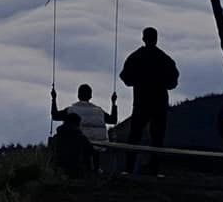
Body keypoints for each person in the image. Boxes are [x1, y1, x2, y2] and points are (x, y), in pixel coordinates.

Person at [120, 27, 179, 173]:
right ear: (156, 39)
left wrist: (139, 81)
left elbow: (125, 78)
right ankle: (154, 169)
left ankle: (128, 168)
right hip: (159, 103)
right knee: (158, 137)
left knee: (134, 136)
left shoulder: (135, 57)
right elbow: (173, 83)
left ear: (143, 38)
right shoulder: (165, 59)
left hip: (141, 102)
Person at [51, 83, 112, 150]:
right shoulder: (100, 112)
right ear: (90, 96)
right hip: (99, 149)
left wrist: (54, 98)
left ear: (78, 96)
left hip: (77, 150)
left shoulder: (71, 110)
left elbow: (55, 116)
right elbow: (113, 120)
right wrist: (114, 103)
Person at [49, 108, 98, 177]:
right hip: (76, 171)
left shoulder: (56, 137)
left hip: (58, 170)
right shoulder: (81, 138)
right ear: (77, 124)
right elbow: (91, 152)